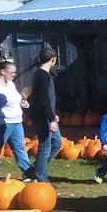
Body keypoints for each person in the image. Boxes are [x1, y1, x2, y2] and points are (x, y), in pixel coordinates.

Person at [0, 60, 33, 181]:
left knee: (19, 147)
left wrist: (23, 103)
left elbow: (14, 99)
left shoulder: (10, 83)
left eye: (15, 72)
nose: (14, 74)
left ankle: (28, 172)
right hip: (3, 123)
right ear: (2, 71)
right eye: (11, 72)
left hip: (17, 122)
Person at [30, 47, 62, 182]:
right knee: (45, 146)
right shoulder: (41, 75)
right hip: (44, 117)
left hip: (48, 115)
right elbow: (43, 99)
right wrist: (51, 119)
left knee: (56, 143)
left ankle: (36, 170)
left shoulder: (44, 74)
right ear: (53, 60)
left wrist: (53, 115)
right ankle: (41, 178)